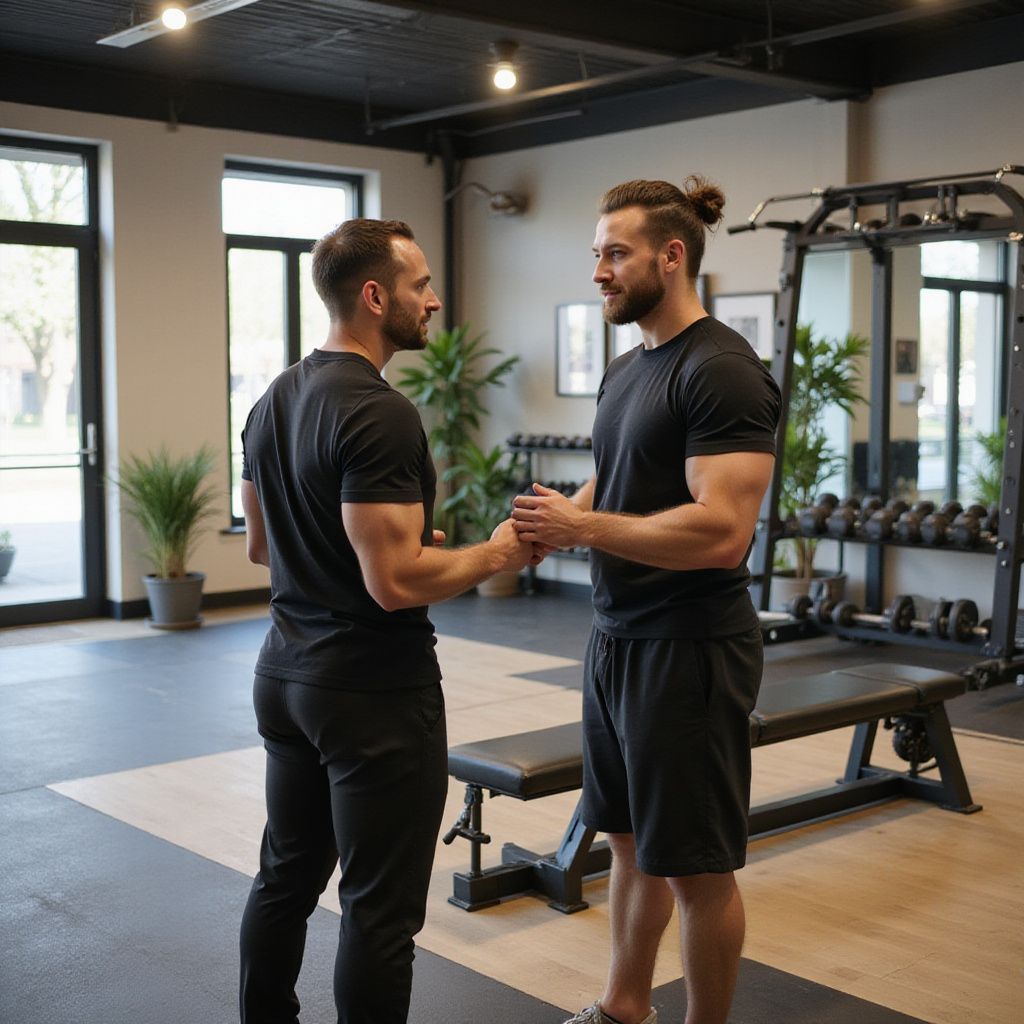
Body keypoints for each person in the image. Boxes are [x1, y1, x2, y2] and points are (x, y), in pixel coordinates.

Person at [237, 217, 534, 1024]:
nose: (433, 302)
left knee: (286, 878)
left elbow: (267, 548)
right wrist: (497, 551)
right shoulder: (381, 412)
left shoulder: (272, 401)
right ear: (375, 296)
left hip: (286, 676)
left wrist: (388, 552)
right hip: (372, 692)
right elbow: (398, 583)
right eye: (420, 286)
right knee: (379, 911)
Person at [512, 177, 781, 1024]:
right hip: (617, 637)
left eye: (614, 252)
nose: (598, 270)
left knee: (697, 867)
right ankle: (625, 1005)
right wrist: (558, 519)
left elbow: (722, 531)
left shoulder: (724, 371)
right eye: (596, 252)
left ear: (672, 256)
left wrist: (585, 531)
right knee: (627, 841)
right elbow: (616, 479)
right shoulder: (629, 369)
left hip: (689, 649)